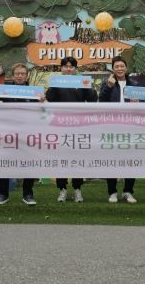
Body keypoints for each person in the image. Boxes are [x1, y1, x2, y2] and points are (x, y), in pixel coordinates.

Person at [0, 63, 41, 206]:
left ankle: (28, 194)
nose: (20, 76)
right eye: (17, 73)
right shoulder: (6, 89)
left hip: (28, 134)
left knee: (29, 164)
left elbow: (43, 109)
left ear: (27, 76)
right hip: (8, 134)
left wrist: (43, 100)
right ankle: (2, 194)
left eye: (23, 73)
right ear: (13, 75)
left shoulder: (34, 92)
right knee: (5, 164)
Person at [46, 56, 97, 202]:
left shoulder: (81, 81)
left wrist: (88, 86)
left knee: (77, 159)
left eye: (71, 66)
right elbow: (50, 98)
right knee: (61, 158)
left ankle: (77, 189)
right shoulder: (57, 82)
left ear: (75, 69)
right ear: (61, 68)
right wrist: (54, 85)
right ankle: (62, 189)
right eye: (65, 66)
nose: (68, 69)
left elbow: (93, 99)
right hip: (60, 125)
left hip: (78, 126)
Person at [98, 56, 139, 204]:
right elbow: (101, 101)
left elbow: (142, 105)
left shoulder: (134, 84)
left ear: (126, 68)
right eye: (117, 66)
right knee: (112, 160)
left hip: (130, 126)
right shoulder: (107, 83)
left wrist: (137, 103)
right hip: (112, 126)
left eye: (122, 66)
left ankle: (128, 191)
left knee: (131, 160)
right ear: (113, 69)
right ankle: (112, 192)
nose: (120, 69)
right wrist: (109, 87)